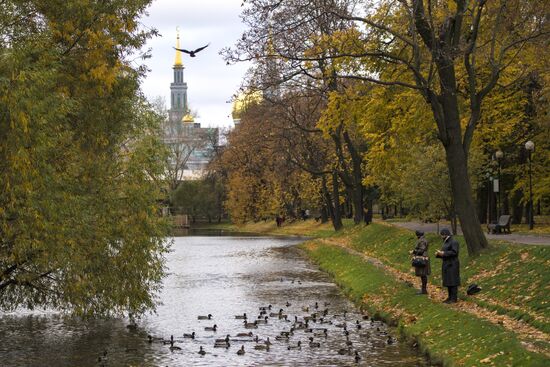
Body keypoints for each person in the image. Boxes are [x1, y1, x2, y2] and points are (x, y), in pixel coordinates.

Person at [435, 228, 461, 303]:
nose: (441, 237)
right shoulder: (446, 242)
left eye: (441, 235)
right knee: (448, 281)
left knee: (453, 281)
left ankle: (454, 298)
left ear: (445, 234)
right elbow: (445, 252)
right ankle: (449, 297)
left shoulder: (453, 242)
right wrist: (439, 254)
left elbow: (454, 252)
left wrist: (443, 253)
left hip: (452, 264)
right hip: (446, 263)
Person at [411, 230, 430, 295]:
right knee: (422, 275)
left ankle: (424, 290)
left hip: (422, 258)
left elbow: (422, 249)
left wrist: (414, 252)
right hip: (422, 257)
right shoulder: (423, 239)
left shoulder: (422, 240)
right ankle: (423, 290)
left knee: (423, 274)